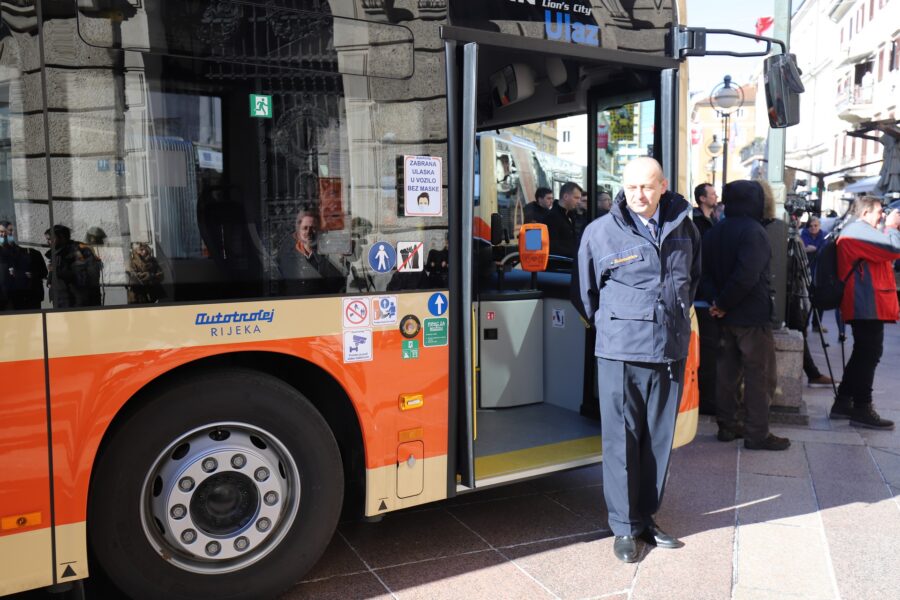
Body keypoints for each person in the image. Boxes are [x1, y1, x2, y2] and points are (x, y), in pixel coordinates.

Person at [577, 157, 700, 563]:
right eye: (630, 188)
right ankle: (624, 526)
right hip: (621, 352)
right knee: (621, 442)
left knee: (658, 441)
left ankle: (646, 517)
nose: (638, 195)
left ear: (663, 185)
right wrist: (616, 326)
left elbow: (690, 281)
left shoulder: (685, 227)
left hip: (669, 350)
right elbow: (586, 294)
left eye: (646, 187)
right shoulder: (600, 232)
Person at [702, 180, 790, 452]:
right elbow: (747, 276)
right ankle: (757, 433)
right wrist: (726, 303)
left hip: (722, 315)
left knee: (726, 373)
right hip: (750, 316)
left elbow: (702, 273)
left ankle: (727, 426)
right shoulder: (754, 231)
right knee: (759, 376)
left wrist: (717, 303)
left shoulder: (715, 231)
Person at [828, 196, 900, 429]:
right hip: (865, 302)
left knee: (863, 353)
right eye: (879, 211)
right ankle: (862, 407)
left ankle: (843, 402)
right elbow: (893, 248)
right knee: (869, 353)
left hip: (866, 301)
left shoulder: (857, 230)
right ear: (865, 212)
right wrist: (891, 227)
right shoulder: (858, 231)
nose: (882, 215)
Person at [691, 183, 720, 415]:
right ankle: (705, 399)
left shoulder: (716, 220)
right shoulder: (695, 223)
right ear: (702, 198)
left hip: (708, 292)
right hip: (700, 295)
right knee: (706, 352)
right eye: (712, 194)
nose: (716, 197)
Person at [277, 210, 345, 295]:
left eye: (313, 228)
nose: (309, 232)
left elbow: (338, 282)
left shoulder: (329, 252)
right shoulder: (287, 254)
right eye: (305, 228)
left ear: (319, 230)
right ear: (298, 231)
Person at [47, 224, 103, 308]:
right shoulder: (58, 252)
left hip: (76, 300)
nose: (48, 242)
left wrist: (57, 272)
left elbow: (83, 277)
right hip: (62, 298)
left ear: (61, 237)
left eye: (50, 239)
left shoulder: (78, 250)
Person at [0, 221, 48, 310]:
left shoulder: (31, 254)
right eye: (1, 232)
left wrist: (27, 275)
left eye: (9, 231)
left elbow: (43, 273)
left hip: (26, 300)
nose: (5, 234)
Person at [542, 181, 582, 258]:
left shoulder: (571, 214)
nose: (579, 202)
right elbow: (553, 247)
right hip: (561, 264)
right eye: (576, 198)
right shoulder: (551, 217)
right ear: (566, 197)